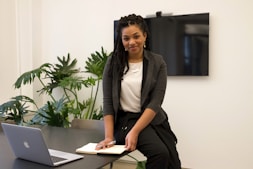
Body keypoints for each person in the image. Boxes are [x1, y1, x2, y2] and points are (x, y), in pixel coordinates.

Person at [96, 14, 181, 169]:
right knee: (160, 153)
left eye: (136, 36)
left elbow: (156, 102)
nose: (131, 42)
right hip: (124, 120)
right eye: (126, 38)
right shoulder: (113, 61)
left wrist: (135, 131)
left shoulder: (157, 62)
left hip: (150, 119)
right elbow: (108, 101)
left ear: (145, 36)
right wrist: (108, 137)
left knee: (168, 157)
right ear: (121, 40)